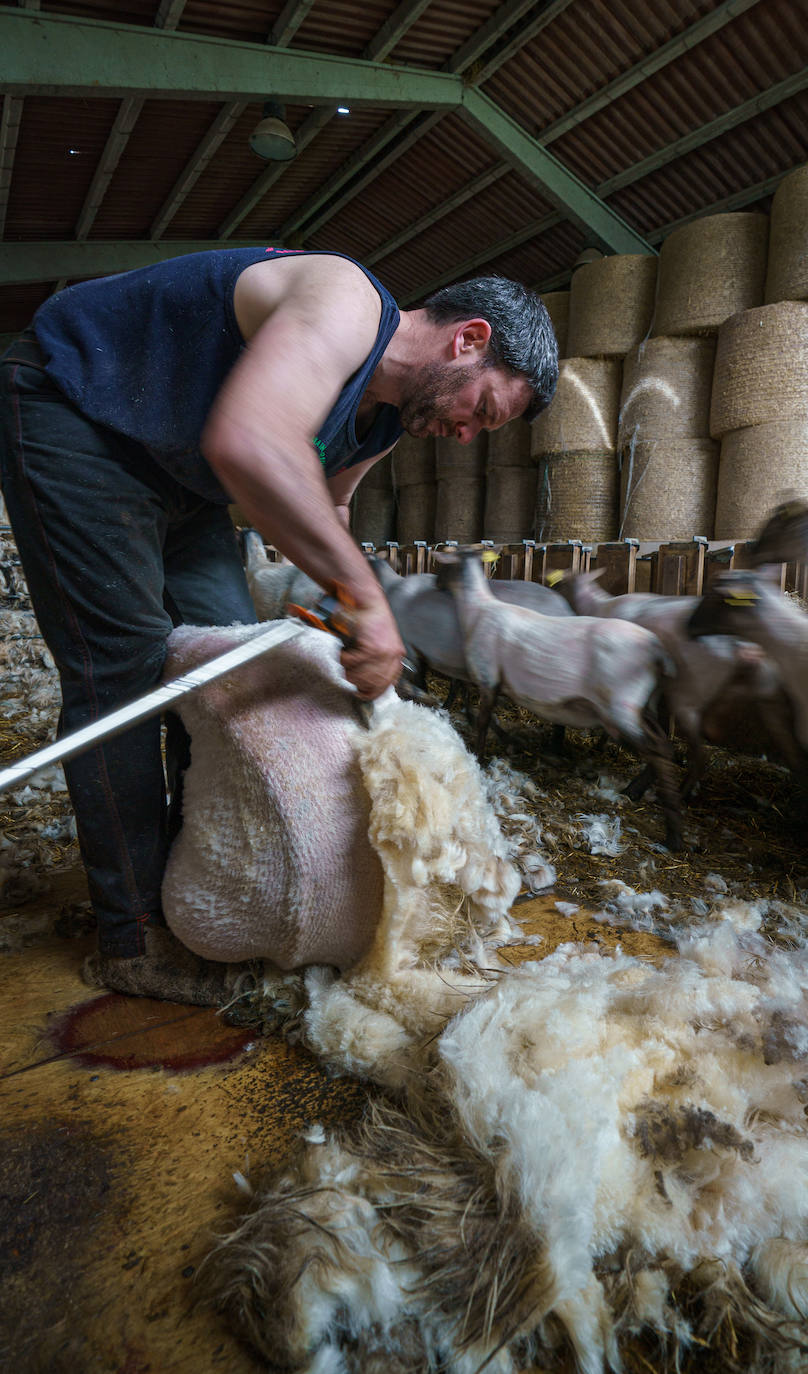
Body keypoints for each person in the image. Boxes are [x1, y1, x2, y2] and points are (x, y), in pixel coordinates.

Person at [0, 248, 558, 1003]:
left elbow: (322, 507)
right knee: (123, 670)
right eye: (482, 410)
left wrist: (340, 609)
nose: (466, 434)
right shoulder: (346, 300)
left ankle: (191, 881)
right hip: (76, 410)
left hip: (180, 477)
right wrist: (367, 598)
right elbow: (251, 442)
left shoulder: (384, 422)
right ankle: (130, 937)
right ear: (469, 339)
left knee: (228, 667)